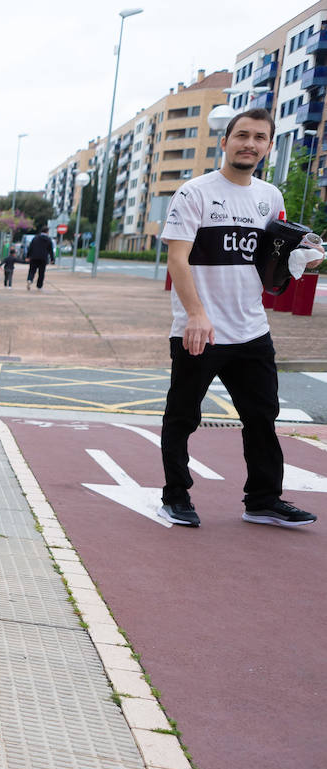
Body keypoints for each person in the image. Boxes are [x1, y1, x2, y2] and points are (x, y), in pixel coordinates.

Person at [157, 106, 318, 529]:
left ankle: (263, 500)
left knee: (263, 416)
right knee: (183, 415)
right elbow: (177, 258)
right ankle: (175, 496)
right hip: (200, 329)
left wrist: (305, 259)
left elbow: (271, 263)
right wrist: (195, 314)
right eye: (242, 135)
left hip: (252, 330)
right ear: (224, 141)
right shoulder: (195, 193)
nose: (250, 143)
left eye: (259, 138)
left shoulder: (270, 197)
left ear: (267, 146)